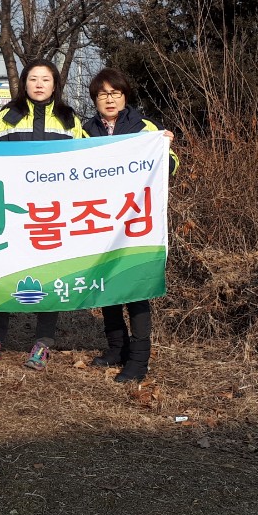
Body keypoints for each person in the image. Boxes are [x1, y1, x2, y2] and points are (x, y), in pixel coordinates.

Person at [0, 58, 87, 371]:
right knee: (4, 270)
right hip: (12, 208)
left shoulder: (69, 119)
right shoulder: (7, 117)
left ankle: (43, 342)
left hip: (51, 212)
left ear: (55, 85)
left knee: (50, 274)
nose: (39, 84)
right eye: (33, 79)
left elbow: (86, 161)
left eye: (46, 79)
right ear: (23, 83)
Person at [81, 66, 177, 383]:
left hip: (135, 221)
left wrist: (164, 149)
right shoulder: (84, 131)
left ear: (125, 96)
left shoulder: (145, 127)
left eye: (115, 93)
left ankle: (138, 360)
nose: (109, 99)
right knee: (106, 285)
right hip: (98, 220)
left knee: (136, 288)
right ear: (95, 99)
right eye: (103, 94)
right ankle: (116, 349)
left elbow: (172, 167)